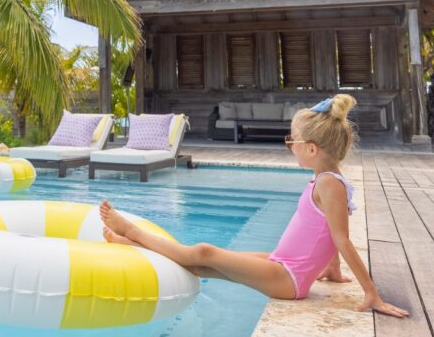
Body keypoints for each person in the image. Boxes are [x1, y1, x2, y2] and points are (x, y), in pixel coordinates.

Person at [99, 94, 409, 317]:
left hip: (288, 277)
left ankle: (131, 231)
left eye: (292, 143)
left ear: (311, 149)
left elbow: (342, 239)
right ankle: (131, 242)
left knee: (206, 252)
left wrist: (371, 292)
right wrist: (331, 270)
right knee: (202, 265)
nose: (290, 148)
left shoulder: (329, 184)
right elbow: (329, 232)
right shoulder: (327, 179)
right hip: (283, 263)